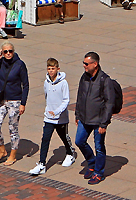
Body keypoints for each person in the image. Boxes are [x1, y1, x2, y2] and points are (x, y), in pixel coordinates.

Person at [29, 57, 76, 175]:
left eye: (53, 69)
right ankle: (42, 164)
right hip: (48, 117)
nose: (51, 71)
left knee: (64, 137)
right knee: (45, 139)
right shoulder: (46, 82)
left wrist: (57, 111)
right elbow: (47, 96)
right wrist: (49, 110)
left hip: (61, 118)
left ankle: (70, 154)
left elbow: (66, 100)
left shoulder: (63, 83)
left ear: (57, 69)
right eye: (49, 69)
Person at [75, 51, 115, 185]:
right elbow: (80, 96)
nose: (84, 66)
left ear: (95, 64)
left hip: (98, 121)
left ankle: (99, 172)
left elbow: (109, 103)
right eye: (83, 63)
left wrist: (104, 124)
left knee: (99, 147)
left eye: (86, 64)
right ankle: (91, 162)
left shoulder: (105, 80)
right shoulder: (84, 77)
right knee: (79, 141)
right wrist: (77, 114)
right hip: (84, 118)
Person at [0, 42, 28, 166]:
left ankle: (13, 155)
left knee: (13, 128)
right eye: (5, 52)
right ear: (2, 52)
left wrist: (23, 103)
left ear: (13, 51)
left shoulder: (20, 65)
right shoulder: (1, 63)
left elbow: (25, 85)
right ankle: (2, 151)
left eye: (10, 51)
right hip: (2, 100)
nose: (8, 53)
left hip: (15, 100)